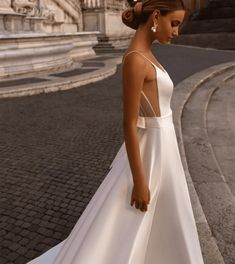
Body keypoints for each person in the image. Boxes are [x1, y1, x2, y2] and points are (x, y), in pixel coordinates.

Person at [28, 0, 204, 263]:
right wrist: (139, 182)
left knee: (169, 213)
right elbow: (129, 123)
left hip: (163, 146)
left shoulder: (147, 54)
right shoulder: (135, 59)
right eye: (174, 23)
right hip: (153, 150)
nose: (177, 31)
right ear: (156, 16)